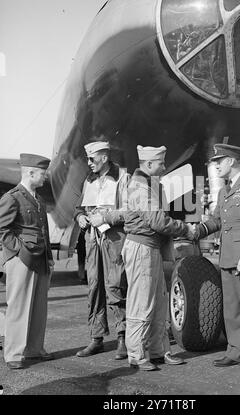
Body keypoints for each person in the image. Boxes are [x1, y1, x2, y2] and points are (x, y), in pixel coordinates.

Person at [195, 143, 240, 371]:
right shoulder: (224, 191)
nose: (215, 165)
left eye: (219, 161)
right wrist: (197, 231)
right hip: (228, 257)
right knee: (232, 308)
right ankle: (236, 352)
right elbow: (218, 220)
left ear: (233, 161)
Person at [121, 145, 195, 371]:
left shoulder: (152, 185)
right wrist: (186, 229)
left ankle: (158, 351)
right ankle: (136, 353)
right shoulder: (140, 187)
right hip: (141, 247)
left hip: (152, 248)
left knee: (159, 302)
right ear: (149, 164)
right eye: (161, 164)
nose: (164, 167)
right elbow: (158, 221)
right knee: (141, 301)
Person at [74, 137, 130, 360]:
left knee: (116, 285)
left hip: (114, 239)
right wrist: (79, 217)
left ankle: (122, 338)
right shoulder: (88, 180)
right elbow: (79, 206)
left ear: (104, 158)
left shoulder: (123, 178)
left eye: (92, 158)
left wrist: (105, 217)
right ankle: (96, 338)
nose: (88, 163)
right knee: (94, 285)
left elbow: (129, 211)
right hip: (92, 240)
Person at [0, 153, 54, 370]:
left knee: (39, 307)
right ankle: (13, 353)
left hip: (40, 258)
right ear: (30, 173)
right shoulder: (12, 197)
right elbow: (2, 228)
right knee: (19, 307)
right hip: (22, 259)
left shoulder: (38, 200)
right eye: (42, 174)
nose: (45, 178)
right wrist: (19, 251)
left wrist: (49, 258)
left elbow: (44, 231)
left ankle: (33, 350)